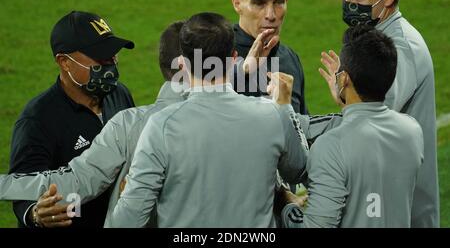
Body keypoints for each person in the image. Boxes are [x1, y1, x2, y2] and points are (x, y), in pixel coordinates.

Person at [108, 12, 308, 227]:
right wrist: (285, 108)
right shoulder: (272, 115)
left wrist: (128, 192)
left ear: (182, 64)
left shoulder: (161, 126)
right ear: (233, 59)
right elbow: (300, 170)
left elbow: (126, 222)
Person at [321, 0, 438, 227]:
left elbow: (372, 118)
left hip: (402, 214)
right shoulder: (373, 35)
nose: (348, 3)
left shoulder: (401, 48)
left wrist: (344, 94)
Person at [280, 25, 424, 228]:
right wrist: (347, 99)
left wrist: (286, 205)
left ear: (344, 78)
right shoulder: (412, 131)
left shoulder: (331, 146)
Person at [8, 11, 135, 228]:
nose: (111, 64)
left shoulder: (119, 94)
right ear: (65, 62)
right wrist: (37, 213)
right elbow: (22, 187)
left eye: (112, 54)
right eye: (100, 57)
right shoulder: (38, 120)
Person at [231, 0, 308, 114]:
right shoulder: (215, 53)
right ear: (237, 4)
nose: (271, 15)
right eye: (259, 4)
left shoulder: (290, 58)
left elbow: (303, 130)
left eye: (278, 2)